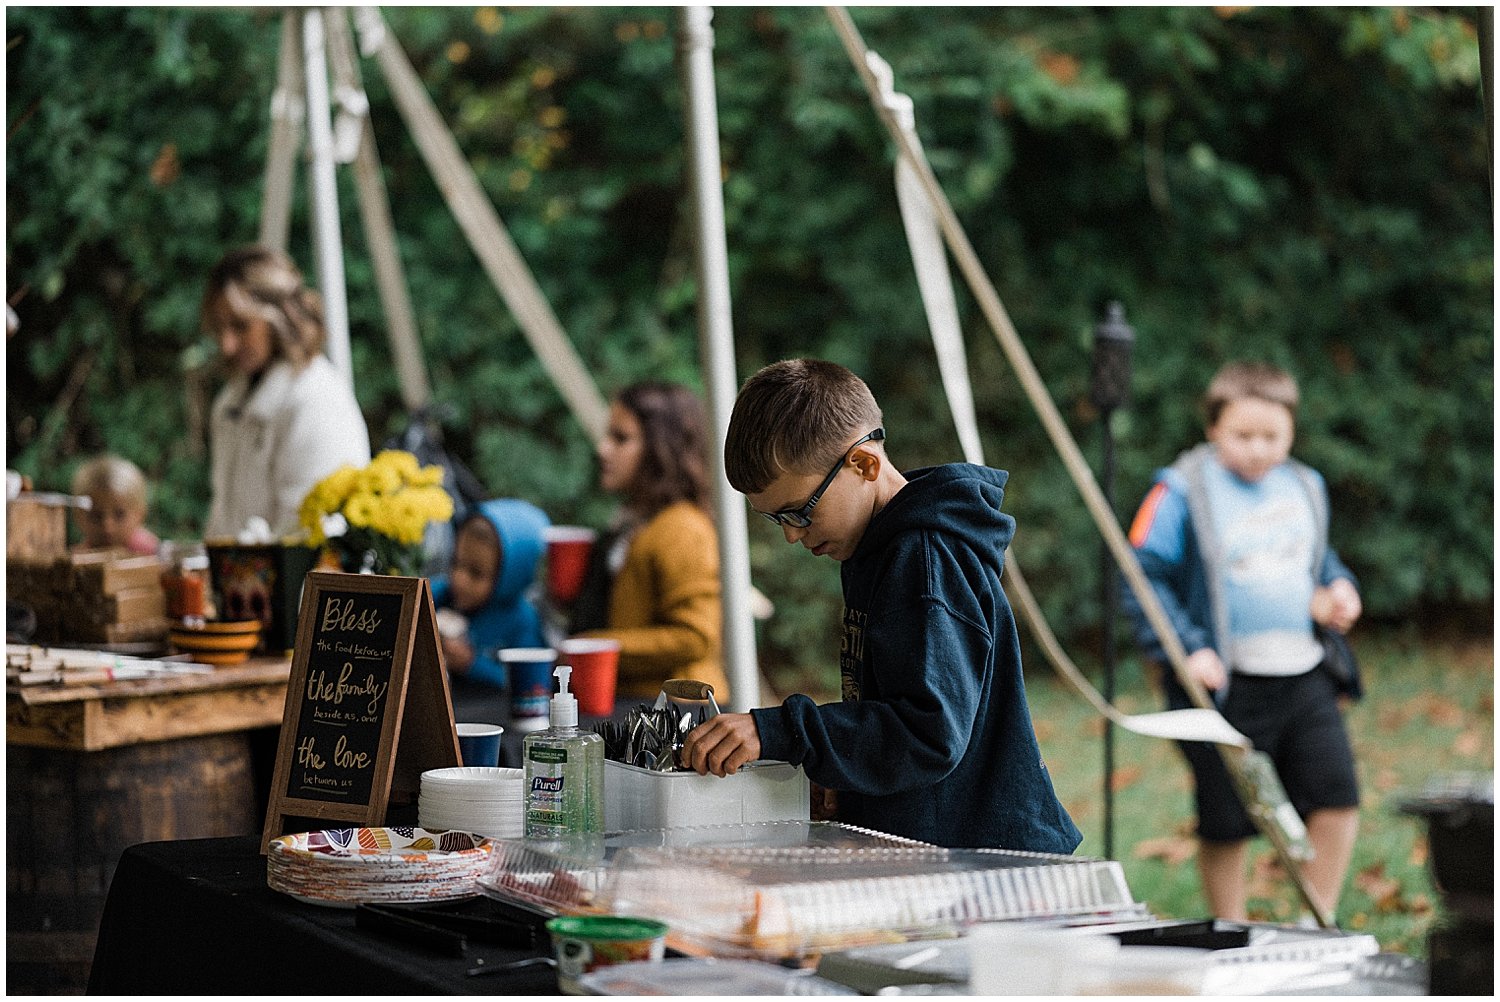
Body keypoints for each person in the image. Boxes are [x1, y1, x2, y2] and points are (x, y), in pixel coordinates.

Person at [680, 359, 1080, 853]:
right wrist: (845, 774)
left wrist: (782, 731)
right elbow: (893, 712)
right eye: (774, 519)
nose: (790, 535)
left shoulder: (926, 558)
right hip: (934, 847)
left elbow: (928, 733)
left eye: (800, 511)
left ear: (864, 464)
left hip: (985, 863)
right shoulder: (877, 549)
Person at [1122, 360, 1362, 922]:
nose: (1259, 449)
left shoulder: (1304, 484)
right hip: (1226, 689)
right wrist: (1187, 648)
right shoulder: (1180, 489)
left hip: (1304, 673)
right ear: (1212, 429)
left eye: (1272, 436)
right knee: (1227, 819)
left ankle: (1315, 923)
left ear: (1291, 433)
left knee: (1338, 796)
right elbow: (1141, 576)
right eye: (1243, 435)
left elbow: (1317, 555)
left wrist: (1338, 587)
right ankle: (1230, 927)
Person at [565, 381, 729, 703]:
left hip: (679, 710)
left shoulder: (683, 527)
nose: (602, 449)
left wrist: (598, 646)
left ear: (660, 447)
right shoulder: (635, 519)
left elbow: (695, 637)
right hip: (632, 700)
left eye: (620, 438)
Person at [200, 245, 371, 540]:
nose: (226, 345)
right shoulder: (229, 401)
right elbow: (222, 522)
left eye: (241, 326)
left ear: (280, 317)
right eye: (219, 328)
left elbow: (312, 535)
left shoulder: (315, 399)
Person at [431, 499, 551, 719]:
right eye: (456, 563)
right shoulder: (436, 596)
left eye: (476, 573)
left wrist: (471, 663)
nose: (459, 579)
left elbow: (530, 685)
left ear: (509, 579)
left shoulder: (521, 620)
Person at [70, 454, 159, 555]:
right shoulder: (78, 558)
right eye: (96, 516)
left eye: (119, 515)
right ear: (78, 516)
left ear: (140, 514)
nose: (108, 528)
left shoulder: (152, 555)